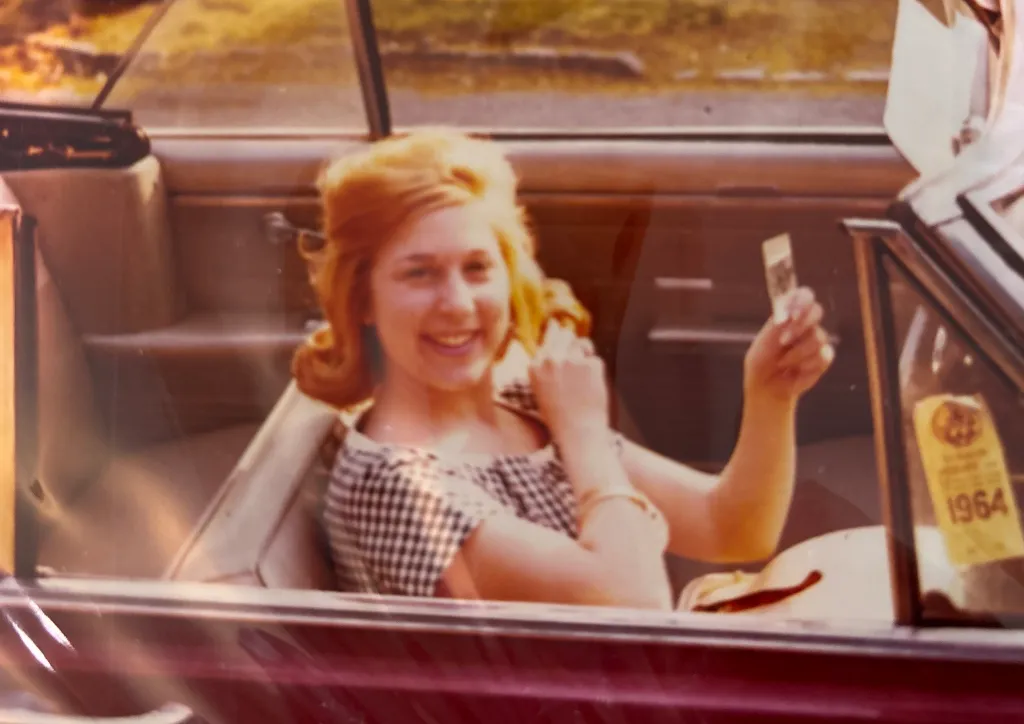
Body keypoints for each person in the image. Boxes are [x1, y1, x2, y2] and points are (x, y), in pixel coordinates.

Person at [292, 128, 835, 611]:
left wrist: (770, 395)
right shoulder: (394, 487)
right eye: (419, 274)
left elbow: (731, 528)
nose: (457, 303)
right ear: (361, 298)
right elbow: (637, 606)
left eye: (478, 268)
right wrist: (583, 432)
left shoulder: (522, 400)